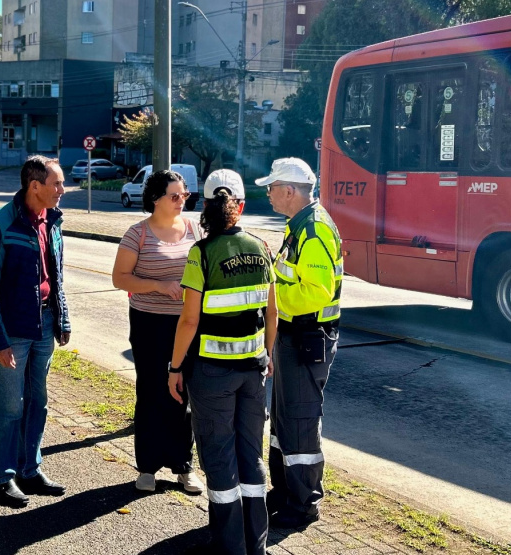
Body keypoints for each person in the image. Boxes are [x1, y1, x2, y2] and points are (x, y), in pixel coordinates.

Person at [168, 169, 277, 555]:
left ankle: (230, 546)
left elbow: (189, 319)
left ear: (205, 205)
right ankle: (256, 543)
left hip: (212, 374)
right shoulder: (262, 247)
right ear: (240, 205)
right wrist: (268, 354)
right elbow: (272, 312)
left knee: (219, 458)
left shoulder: (202, 253)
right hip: (253, 371)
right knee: (251, 455)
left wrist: (175, 366)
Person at [0, 155, 72, 508]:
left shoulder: (53, 221)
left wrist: (62, 320)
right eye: (57, 183)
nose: (63, 189)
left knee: (38, 402)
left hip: (44, 325)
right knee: (9, 408)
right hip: (12, 331)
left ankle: (30, 470)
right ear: (35, 186)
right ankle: (0, 479)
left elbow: (56, 276)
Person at [256, 158, 343, 529]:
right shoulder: (301, 226)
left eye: (272, 187)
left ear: (289, 191)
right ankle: (286, 492)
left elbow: (317, 293)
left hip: (307, 337)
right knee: (284, 421)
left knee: (300, 422)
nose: (268, 193)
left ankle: (304, 504)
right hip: (294, 336)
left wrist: (269, 298)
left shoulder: (315, 229)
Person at [111, 169, 204, 495]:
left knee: (183, 394)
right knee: (151, 392)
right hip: (150, 323)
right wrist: (157, 286)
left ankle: (183, 466)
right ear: (155, 199)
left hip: (188, 324)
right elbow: (120, 278)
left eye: (185, 194)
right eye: (175, 195)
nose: (183, 200)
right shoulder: (138, 234)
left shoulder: (194, 228)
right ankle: (148, 467)